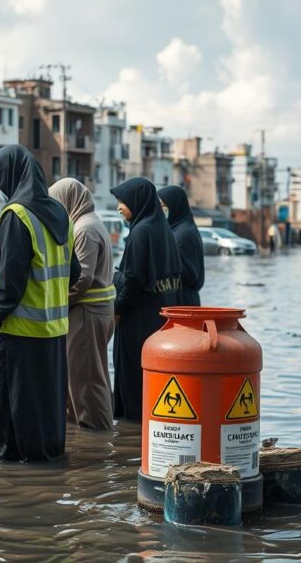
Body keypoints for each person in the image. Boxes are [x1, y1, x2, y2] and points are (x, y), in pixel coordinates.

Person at [0, 145, 75, 461]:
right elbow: (75, 272)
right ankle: (46, 459)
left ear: (11, 178)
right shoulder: (60, 213)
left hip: (19, 331)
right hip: (54, 331)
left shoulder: (16, 215)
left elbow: (9, 281)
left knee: (7, 405)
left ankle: (5, 472)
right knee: (45, 404)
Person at [110, 178, 184, 421]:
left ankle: (130, 431)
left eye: (123, 201)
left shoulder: (141, 232)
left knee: (132, 373)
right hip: (160, 316)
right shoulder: (163, 229)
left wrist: (117, 307)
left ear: (137, 202)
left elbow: (133, 279)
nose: (119, 207)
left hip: (138, 318)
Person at [49, 178, 116, 431]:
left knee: (87, 381)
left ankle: (96, 440)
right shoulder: (91, 223)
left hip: (87, 314)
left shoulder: (84, 229)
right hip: (95, 312)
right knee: (85, 376)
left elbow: (84, 276)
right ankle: (86, 431)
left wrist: (58, 304)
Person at [158, 185, 205, 306]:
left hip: (184, 302)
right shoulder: (177, 229)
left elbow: (189, 274)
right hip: (179, 298)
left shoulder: (184, 234)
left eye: (163, 206)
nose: (160, 210)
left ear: (175, 206)